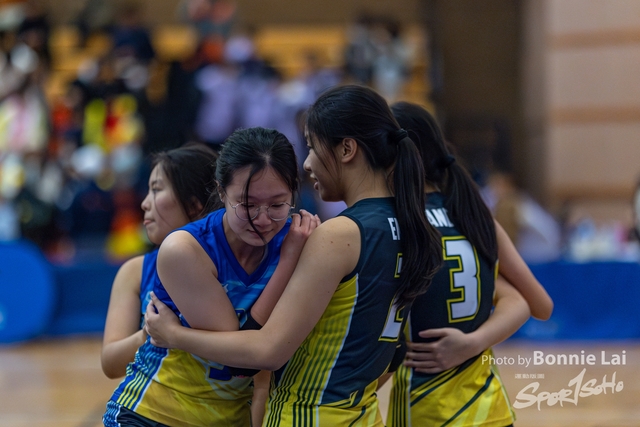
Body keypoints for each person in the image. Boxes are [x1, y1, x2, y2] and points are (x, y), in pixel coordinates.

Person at [144, 84, 444, 426]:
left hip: (308, 414)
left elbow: (266, 352)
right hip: (363, 414)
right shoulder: (410, 223)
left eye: (312, 146)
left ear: (347, 149)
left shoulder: (338, 234)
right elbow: (396, 352)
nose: (308, 163)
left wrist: (173, 336)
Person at [103, 127, 320, 426]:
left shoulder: (300, 239)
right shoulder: (183, 249)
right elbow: (238, 362)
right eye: (247, 205)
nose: (262, 219)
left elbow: (263, 379)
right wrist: (288, 262)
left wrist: (175, 336)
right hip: (149, 415)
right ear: (220, 191)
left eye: (277, 204)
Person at [386, 101, 553, 426]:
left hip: (429, 411)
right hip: (490, 408)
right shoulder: (474, 215)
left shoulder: (400, 223)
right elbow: (540, 305)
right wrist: (474, 342)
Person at [101, 142, 218, 379]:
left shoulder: (232, 264)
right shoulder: (134, 271)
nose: (145, 203)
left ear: (194, 205)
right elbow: (110, 362)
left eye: (156, 190)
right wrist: (150, 331)